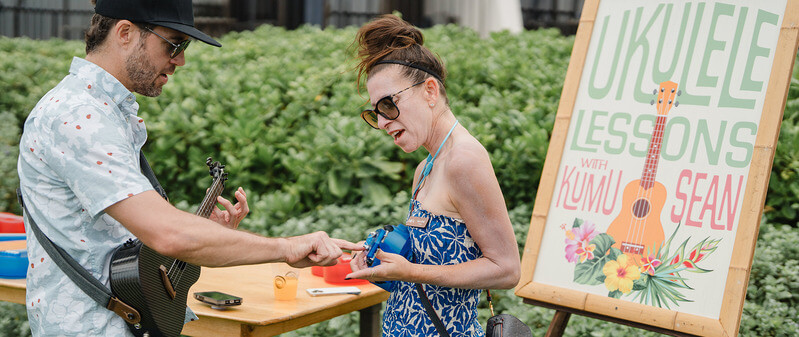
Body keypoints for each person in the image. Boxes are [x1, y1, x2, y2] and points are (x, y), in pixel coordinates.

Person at [16, 0, 360, 335]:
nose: (180, 60)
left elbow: (123, 236)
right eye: (174, 44)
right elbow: (168, 234)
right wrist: (286, 248)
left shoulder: (101, 110)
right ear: (124, 33)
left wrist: (203, 233)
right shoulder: (77, 116)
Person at [346, 14, 521, 336]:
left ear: (430, 91)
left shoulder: (463, 160)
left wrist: (412, 271)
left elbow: (506, 270)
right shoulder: (425, 166)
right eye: (375, 112)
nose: (383, 121)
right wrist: (382, 261)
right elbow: (429, 268)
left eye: (389, 104)